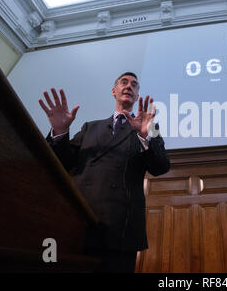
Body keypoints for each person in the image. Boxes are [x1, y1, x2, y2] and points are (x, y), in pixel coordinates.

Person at [39, 72, 170, 272]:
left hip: (121, 229)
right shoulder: (90, 127)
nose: (129, 86)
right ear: (114, 91)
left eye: (134, 85)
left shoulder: (150, 127)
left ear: (136, 95)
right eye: (124, 82)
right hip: (80, 222)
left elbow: (161, 167)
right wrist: (60, 133)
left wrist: (145, 136)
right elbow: (62, 163)